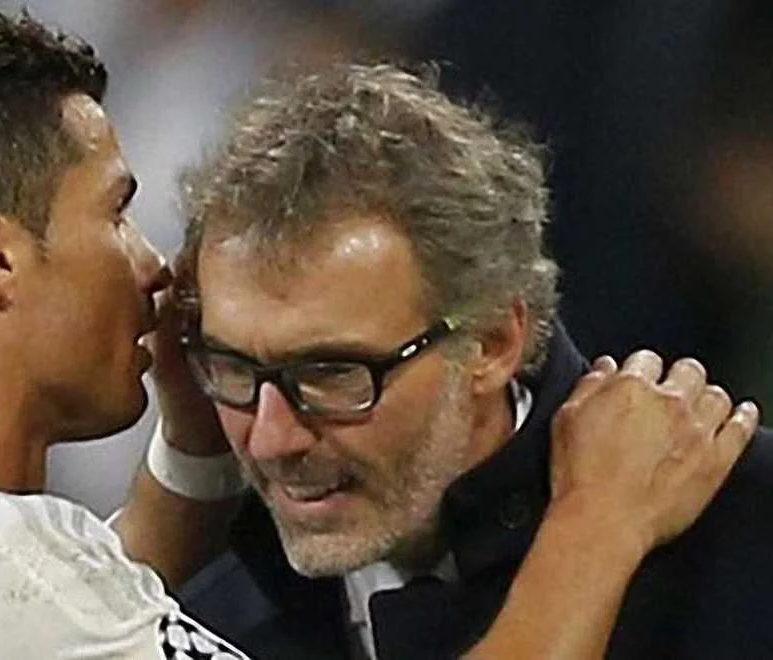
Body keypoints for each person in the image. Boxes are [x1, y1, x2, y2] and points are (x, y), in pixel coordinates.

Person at [0, 13, 756, 659]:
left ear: (497, 339)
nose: (154, 270)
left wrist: (202, 440)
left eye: (328, 370)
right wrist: (596, 528)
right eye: (115, 212)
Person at [173, 62, 773, 659]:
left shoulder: (747, 537)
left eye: (331, 374)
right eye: (234, 369)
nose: (272, 440)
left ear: (491, 342)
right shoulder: (209, 628)